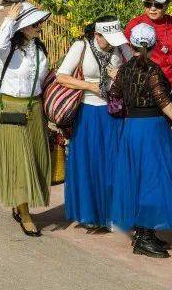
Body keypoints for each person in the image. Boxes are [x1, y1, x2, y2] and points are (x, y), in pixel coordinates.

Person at [109, 23, 172, 257]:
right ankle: (144, 237)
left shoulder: (125, 69)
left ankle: (143, 233)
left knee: (138, 179)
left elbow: (115, 97)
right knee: (153, 180)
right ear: (154, 45)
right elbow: (163, 101)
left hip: (132, 130)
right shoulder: (152, 70)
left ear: (130, 44)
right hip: (152, 130)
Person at [57, 16, 129, 233]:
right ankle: (91, 214)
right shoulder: (81, 46)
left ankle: (113, 212)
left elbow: (134, 72)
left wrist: (119, 77)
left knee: (114, 162)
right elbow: (62, 76)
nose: (114, 43)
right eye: (108, 38)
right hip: (88, 112)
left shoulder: (121, 48)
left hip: (115, 113)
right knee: (90, 162)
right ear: (97, 35)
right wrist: (90, 86)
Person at [0, 2, 53, 237]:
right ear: (22, 26)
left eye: (40, 22)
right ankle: (25, 214)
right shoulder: (7, 50)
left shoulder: (40, 49)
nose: (40, 26)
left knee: (35, 160)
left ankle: (20, 204)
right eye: (35, 23)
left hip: (35, 108)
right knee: (20, 161)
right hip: (10, 108)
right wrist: (9, 19)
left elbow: (44, 81)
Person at [125, 0, 172, 178]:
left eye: (158, 4)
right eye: (148, 4)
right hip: (146, 95)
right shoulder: (134, 25)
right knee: (153, 145)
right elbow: (125, 55)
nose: (153, 8)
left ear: (167, 4)